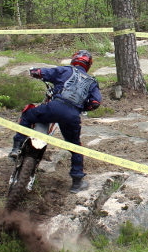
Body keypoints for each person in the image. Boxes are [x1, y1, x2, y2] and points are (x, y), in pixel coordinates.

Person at [8, 50, 102, 193]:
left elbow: (41, 72)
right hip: (72, 115)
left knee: (28, 113)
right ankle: (77, 182)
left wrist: (34, 71)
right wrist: (82, 107)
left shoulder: (65, 70)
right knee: (76, 147)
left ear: (74, 59)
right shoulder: (92, 81)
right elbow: (95, 102)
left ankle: (17, 147)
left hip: (54, 107)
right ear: (89, 64)